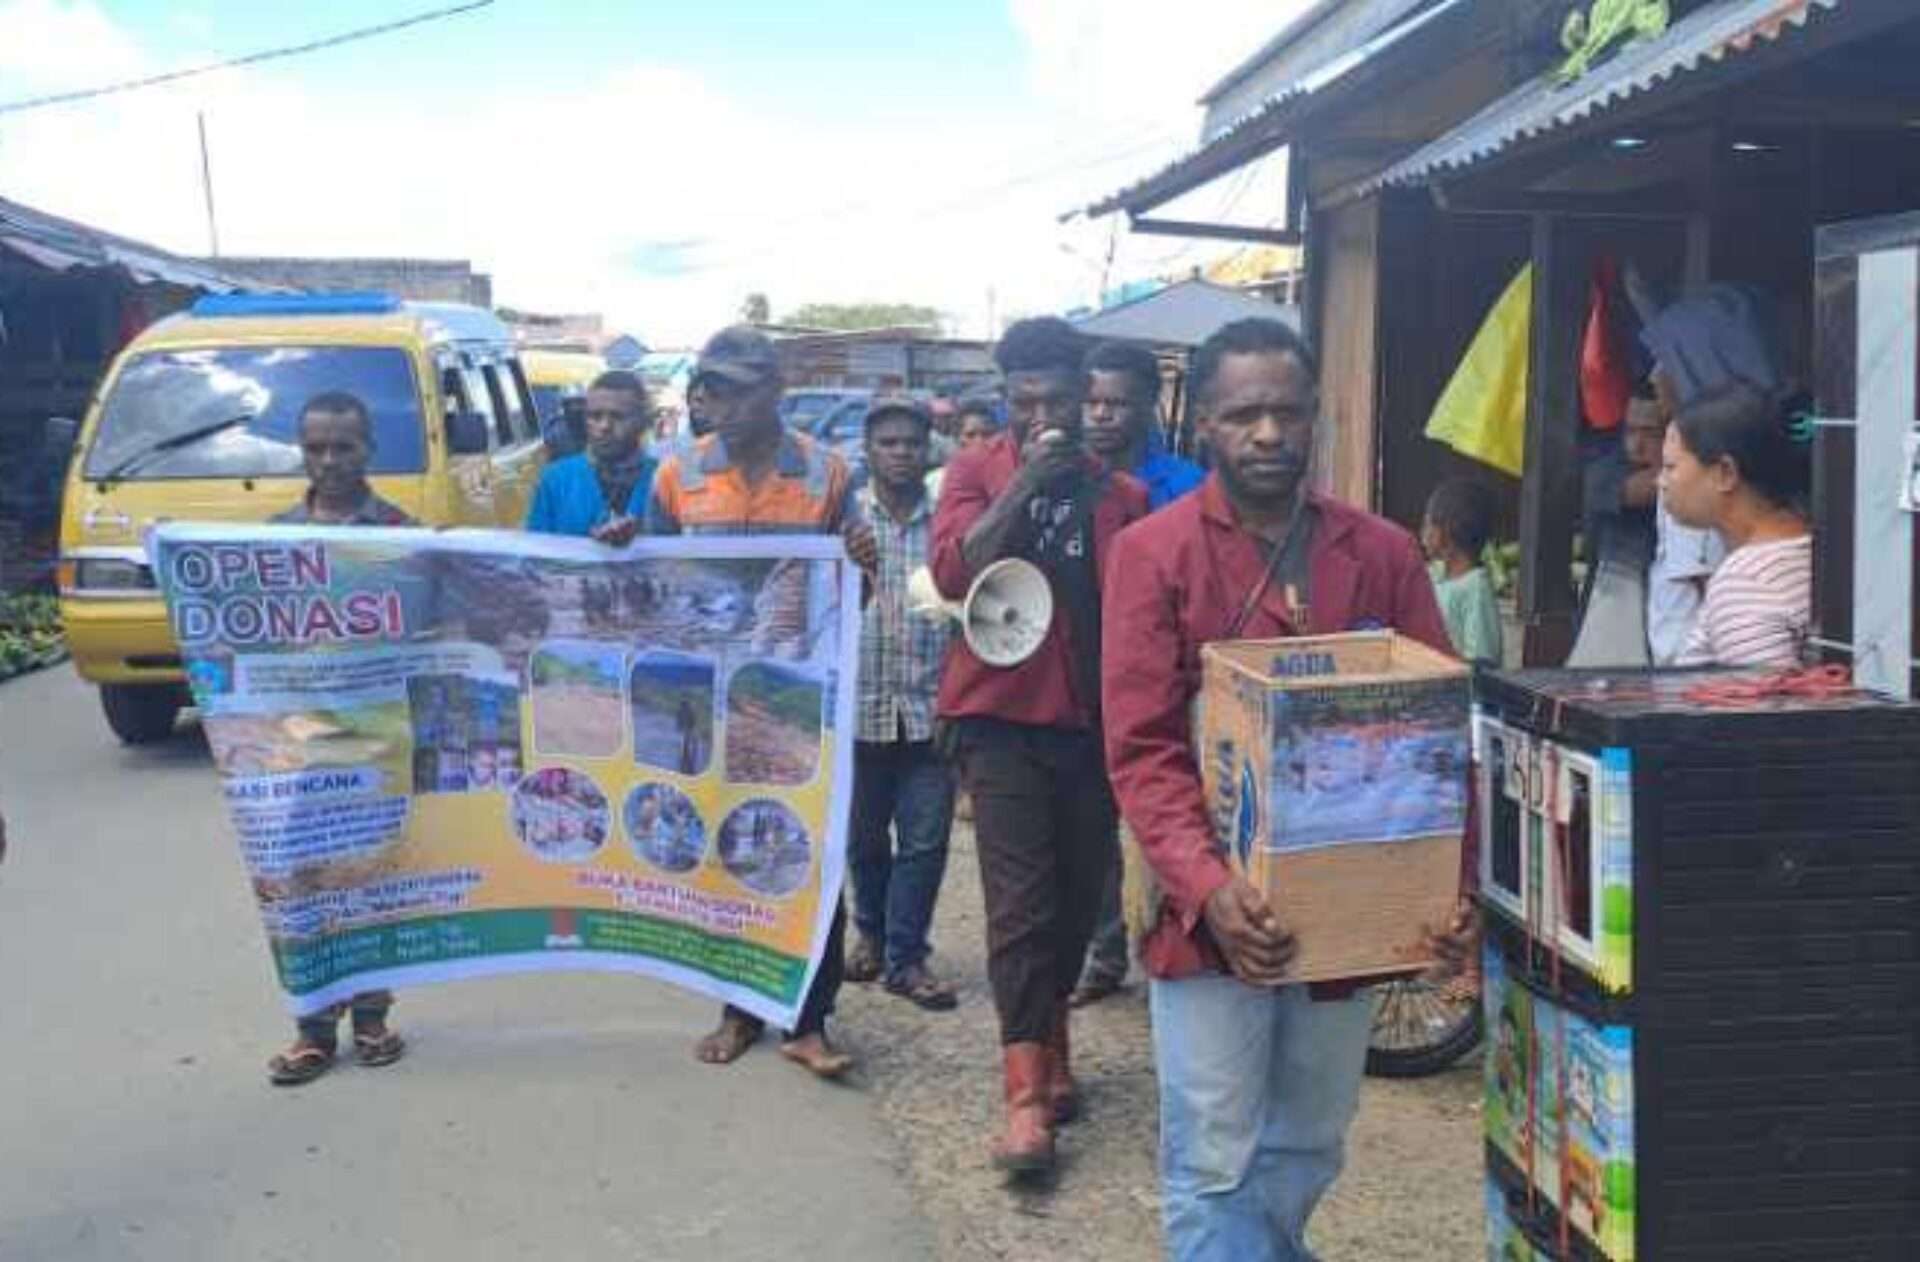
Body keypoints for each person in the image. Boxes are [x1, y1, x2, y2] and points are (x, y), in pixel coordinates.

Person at [1100, 318, 1471, 1260]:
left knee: (1309, 1140)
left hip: (1344, 916)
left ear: (1317, 420)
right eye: (1243, 414)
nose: (1267, 433)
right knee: (1212, 1157)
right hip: (1207, 913)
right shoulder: (1154, 553)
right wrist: (1212, 891)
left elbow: (1438, 730)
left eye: (1287, 412)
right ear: (1207, 430)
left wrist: (1449, 892)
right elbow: (1141, 747)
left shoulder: (1381, 552)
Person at [930, 317, 1149, 1174]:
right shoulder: (975, 473)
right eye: (1026, 403)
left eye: (1060, 400)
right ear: (1007, 399)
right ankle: (1023, 1094)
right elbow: (955, 572)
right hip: (998, 721)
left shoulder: (1119, 496)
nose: (1045, 416)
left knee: (1074, 895)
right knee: (1019, 905)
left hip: (1091, 722)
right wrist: (1024, 484)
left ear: (1083, 392)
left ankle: (1052, 1043)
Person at [643, 325, 878, 1080]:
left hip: (798, 705)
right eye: (709, 388)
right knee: (724, 848)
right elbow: (646, 584)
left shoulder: (827, 474)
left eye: (735, 388)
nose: (718, 402)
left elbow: (851, 601)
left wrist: (863, 571)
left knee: (808, 852)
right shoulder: (677, 477)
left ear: (775, 391)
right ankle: (738, 1008)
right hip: (707, 705)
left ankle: (809, 1019)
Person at [266, 391, 412, 1085]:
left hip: (377, 744)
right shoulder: (268, 541)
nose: (329, 461)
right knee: (303, 887)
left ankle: (375, 1015)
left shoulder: (400, 535)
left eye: (343, 447)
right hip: (295, 747)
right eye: (315, 447)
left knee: (369, 881)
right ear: (301, 451)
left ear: (368, 450)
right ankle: (313, 1029)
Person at [1071, 340, 1206, 1008]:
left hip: (1174, 683)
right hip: (1089, 682)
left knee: (1170, 817)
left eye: (1117, 403)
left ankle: (1177, 945)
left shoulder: (1185, 486)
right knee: (1093, 824)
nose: (1101, 416)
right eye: (1092, 402)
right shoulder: (1067, 480)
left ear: (1148, 406)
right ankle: (1103, 953)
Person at [844, 395, 959, 1011]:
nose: (900, 453)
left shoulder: (950, 522)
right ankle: (871, 934)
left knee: (924, 840)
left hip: (930, 708)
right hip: (857, 708)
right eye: (887, 443)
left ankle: (907, 958)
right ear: (868, 450)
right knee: (864, 838)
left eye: (911, 444)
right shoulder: (844, 522)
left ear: (929, 450)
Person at [1640, 286, 1786, 663]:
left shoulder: (1693, 482)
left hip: (1702, 675)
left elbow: (1707, 587)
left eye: (1666, 361)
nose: (1654, 379)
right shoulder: (1699, 463)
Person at [1661, 381, 1812, 668]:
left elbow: (1768, 709)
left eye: (1670, 467)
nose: (1661, 482)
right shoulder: (1807, 545)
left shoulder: (1745, 581)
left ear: (1726, 473)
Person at [524, 370, 658, 545]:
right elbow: (535, 551)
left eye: (618, 417)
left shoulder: (663, 479)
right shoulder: (557, 479)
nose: (605, 426)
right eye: (595, 416)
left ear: (642, 421)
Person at [1421, 477, 1503, 667]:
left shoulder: (1475, 588)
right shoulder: (1434, 576)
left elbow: (1482, 662)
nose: (1423, 532)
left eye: (1428, 523)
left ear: (1448, 530)